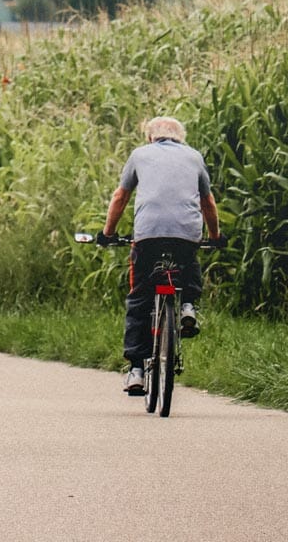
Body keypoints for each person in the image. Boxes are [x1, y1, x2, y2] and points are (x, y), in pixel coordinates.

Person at [101, 115, 221, 395]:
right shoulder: (194, 157)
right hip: (185, 232)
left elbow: (121, 196)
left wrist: (107, 233)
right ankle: (188, 306)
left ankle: (136, 371)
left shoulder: (139, 155)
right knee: (188, 261)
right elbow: (208, 201)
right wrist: (215, 237)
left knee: (140, 296)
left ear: (149, 137)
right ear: (181, 137)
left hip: (148, 234)